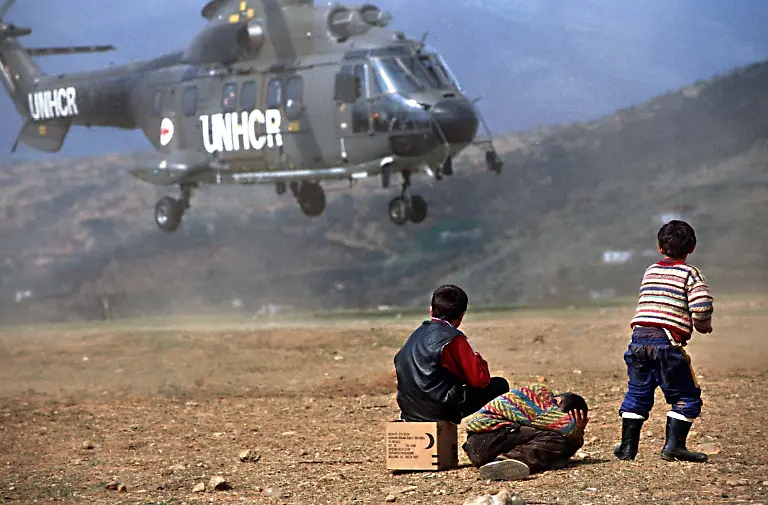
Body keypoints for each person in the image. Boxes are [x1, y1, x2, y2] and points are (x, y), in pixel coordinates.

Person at [614, 220, 713, 463]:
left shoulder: (651, 270)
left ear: (660, 248)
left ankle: (627, 448)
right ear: (692, 248)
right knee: (686, 395)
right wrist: (703, 326)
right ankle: (674, 447)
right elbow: (701, 306)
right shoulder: (690, 273)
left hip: (637, 340)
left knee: (638, 392)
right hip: (666, 344)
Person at [394, 285, 510, 425]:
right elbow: (480, 380)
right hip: (438, 410)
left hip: (409, 410)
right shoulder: (454, 339)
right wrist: (478, 360)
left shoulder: (416, 334)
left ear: (431, 310)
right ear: (462, 315)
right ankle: (490, 431)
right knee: (500, 385)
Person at [462, 383, 589, 481]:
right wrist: (575, 429)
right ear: (558, 401)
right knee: (555, 438)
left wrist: (575, 437)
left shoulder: (534, 409)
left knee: (560, 442)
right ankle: (502, 464)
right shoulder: (540, 394)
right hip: (487, 438)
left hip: (486, 446)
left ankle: (500, 464)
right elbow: (558, 426)